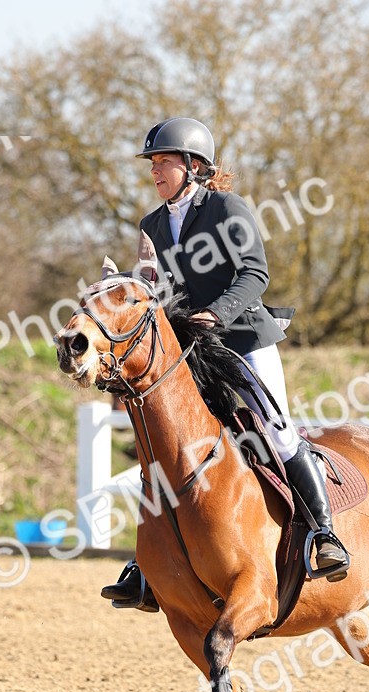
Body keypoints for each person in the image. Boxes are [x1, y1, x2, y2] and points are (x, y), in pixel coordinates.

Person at [102, 117, 350, 610]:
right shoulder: (152, 225)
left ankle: (324, 534)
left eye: (164, 161)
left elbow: (255, 273)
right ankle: (148, 564)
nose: (156, 171)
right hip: (193, 349)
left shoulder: (226, 208)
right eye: (153, 163)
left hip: (244, 337)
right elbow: (161, 290)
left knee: (275, 432)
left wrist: (217, 312)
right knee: (167, 447)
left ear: (193, 166)